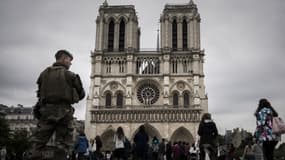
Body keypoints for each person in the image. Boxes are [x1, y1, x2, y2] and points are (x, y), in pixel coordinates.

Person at [29, 50, 85, 159]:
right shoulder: (70, 75)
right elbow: (81, 94)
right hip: (63, 113)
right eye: (69, 60)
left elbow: (40, 94)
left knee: (38, 143)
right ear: (63, 59)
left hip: (46, 112)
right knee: (63, 144)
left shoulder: (43, 74)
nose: (70, 63)